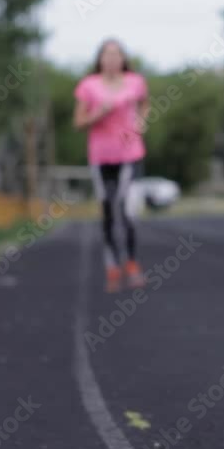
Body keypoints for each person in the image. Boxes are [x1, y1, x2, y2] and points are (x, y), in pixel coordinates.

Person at [73, 39, 149, 292]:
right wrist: (98, 113)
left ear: (123, 59)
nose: (112, 59)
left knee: (127, 212)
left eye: (117, 54)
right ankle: (112, 267)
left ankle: (132, 265)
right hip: (101, 157)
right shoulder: (88, 85)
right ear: (100, 59)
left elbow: (145, 104)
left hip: (130, 154)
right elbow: (79, 122)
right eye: (107, 54)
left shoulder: (135, 82)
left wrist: (141, 120)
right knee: (108, 212)